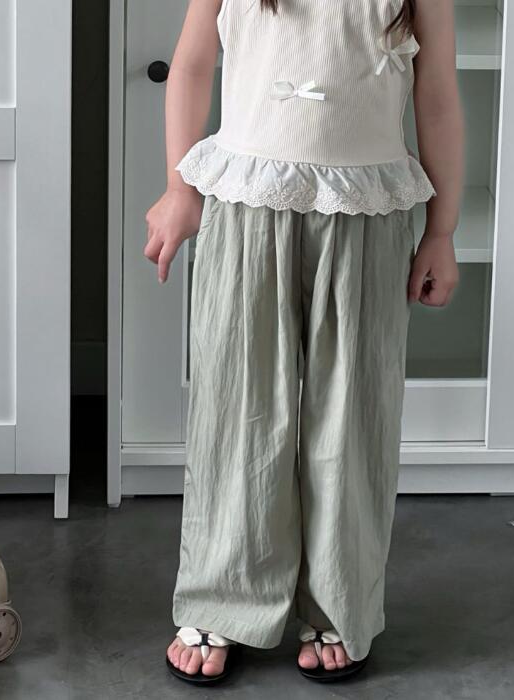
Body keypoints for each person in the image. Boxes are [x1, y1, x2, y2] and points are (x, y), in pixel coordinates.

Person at [145, 0, 463, 685]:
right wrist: (179, 187)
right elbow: (193, 63)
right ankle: (224, 597)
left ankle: (337, 601)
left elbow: (436, 91)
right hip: (247, 204)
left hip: (365, 212)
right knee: (238, 412)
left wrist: (442, 230)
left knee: (352, 417)